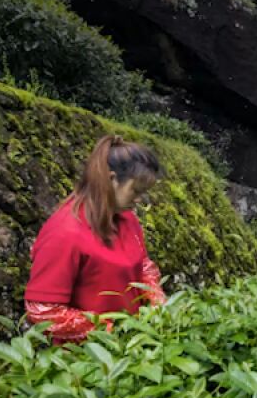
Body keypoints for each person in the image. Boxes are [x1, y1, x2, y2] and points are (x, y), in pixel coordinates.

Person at [25, 135, 165, 344]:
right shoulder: (64, 232)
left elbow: (143, 265)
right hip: (86, 360)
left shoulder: (127, 219)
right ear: (110, 179)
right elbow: (43, 310)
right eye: (135, 191)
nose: (139, 200)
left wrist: (157, 303)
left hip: (131, 344)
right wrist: (111, 332)